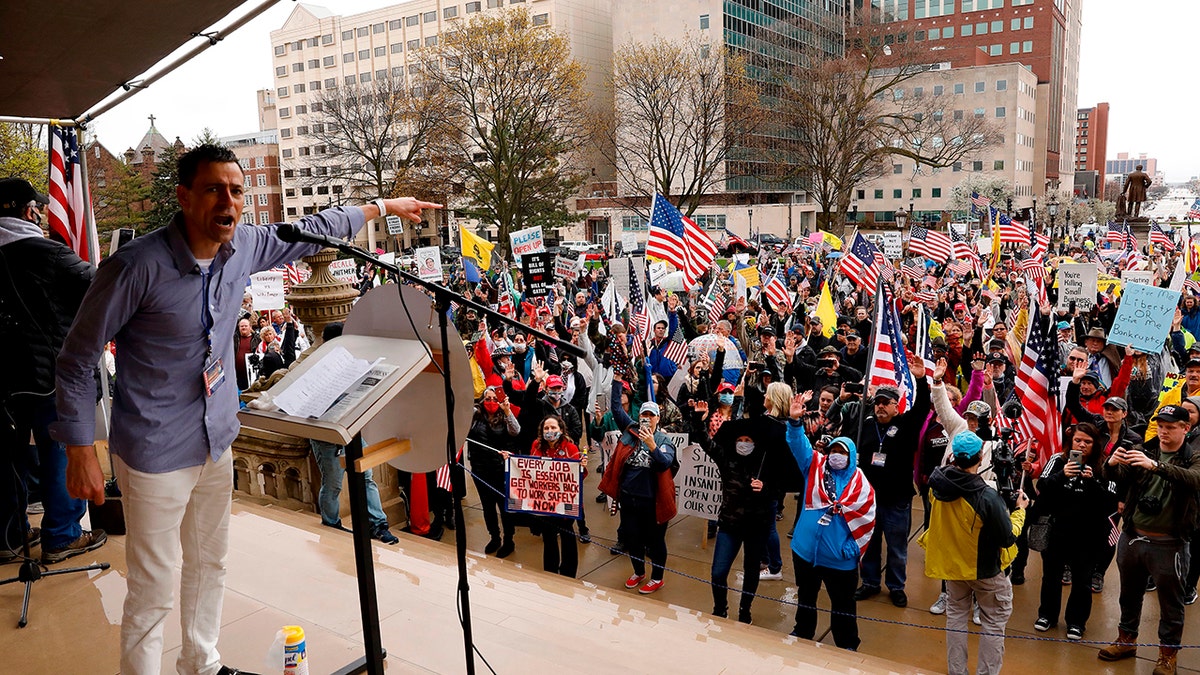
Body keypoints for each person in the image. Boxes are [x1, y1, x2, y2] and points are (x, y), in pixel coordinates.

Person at [53, 143, 441, 675]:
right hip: (153, 453)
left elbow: (313, 228)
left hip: (214, 441)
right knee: (153, 587)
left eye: (236, 191)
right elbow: (75, 360)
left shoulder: (246, 248)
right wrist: (79, 448)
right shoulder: (133, 267)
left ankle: (202, 663)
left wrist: (383, 207)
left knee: (210, 564)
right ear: (184, 197)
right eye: (214, 189)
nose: (228, 202)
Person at [0, 177, 107, 565]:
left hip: (4, 383)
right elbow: (102, 289)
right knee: (61, 452)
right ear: (30, 211)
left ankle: (8, 536)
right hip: (50, 379)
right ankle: (62, 535)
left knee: (8, 459)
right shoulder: (47, 252)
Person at [1098, 405, 1200, 675]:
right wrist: (1111, 464)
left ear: (1185, 428)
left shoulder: (1194, 456)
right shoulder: (1145, 448)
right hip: (1133, 536)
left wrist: (1156, 466)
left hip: (1170, 542)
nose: (1163, 431)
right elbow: (1118, 478)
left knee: (1171, 602)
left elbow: (1194, 480)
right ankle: (1126, 639)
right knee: (1128, 594)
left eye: (1170, 427)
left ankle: (1168, 655)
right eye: (1161, 425)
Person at [922, 431, 1028, 675]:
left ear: (952, 457)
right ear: (981, 457)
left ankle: (956, 671)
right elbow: (1007, 537)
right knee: (993, 624)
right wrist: (1019, 510)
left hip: (953, 568)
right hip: (985, 570)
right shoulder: (985, 496)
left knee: (956, 618)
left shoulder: (937, 485)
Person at [786, 393, 875, 651]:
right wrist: (794, 422)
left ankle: (846, 643)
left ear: (851, 455)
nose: (836, 455)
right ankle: (803, 630)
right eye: (834, 450)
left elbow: (868, 518)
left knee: (843, 605)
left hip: (839, 559)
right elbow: (798, 445)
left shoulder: (861, 484)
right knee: (806, 597)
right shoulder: (815, 466)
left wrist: (853, 547)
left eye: (842, 452)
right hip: (805, 553)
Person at [308, 323, 398, 545]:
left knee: (367, 478)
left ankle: (378, 525)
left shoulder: (355, 361)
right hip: (327, 434)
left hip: (354, 431)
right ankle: (331, 524)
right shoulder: (315, 365)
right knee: (333, 483)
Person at [854, 356, 931, 608]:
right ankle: (870, 583)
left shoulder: (906, 424)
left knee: (897, 548)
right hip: (869, 499)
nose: (880, 407)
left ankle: (896, 587)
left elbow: (921, 407)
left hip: (897, 500)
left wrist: (920, 379)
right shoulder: (865, 425)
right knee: (870, 543)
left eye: (886, 403)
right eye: (878, 403)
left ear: (897, 406)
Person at [1032, 423, 1119, 641]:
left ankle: (1077, 622)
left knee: (1083, 581)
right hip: (1057, 530)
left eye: (1087, 442)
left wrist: (1092, 482)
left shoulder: (1104, 466)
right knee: (1051, 576)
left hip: (1088, 534)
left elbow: (1110, 503)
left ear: (1095, 444)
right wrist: (1062, 475)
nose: (1082, 445)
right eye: (1078, 440)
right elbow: (1042, 486)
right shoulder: (1058, 460)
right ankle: (1047, 616)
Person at [599, 377, 677, 595]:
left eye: (652, 415)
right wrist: (616, 382)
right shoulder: (630, 430)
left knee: (655, 542)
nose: (647, 418)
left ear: (658, 419)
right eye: (644, 414)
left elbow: (664, 464)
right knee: (632, 538)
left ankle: (657, 578)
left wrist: (652, 445)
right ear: (638, 416)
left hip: (652, 502)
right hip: (628, 498)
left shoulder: (663, 441)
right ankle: (639, 572)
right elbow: (615, 408)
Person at [528, 414, 585, 578]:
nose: (550, 431)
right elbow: (528, 468)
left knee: (567, 535)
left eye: (553, 428)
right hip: (545, 503)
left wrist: (581, 467)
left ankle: (568, 573)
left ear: (561, 430)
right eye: (546, 428)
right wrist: (511, 460)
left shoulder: (571, 449)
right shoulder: (536, 445)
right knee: (549, 537)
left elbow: (579, 477)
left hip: (565, 504)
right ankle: (550, 572)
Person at [468, 386, 521, 558]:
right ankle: (494, 537)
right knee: (487, 507)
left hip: (500, 470)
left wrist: (507, 412)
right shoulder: (476, 416)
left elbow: (516, 430)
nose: (491, 402)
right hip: (480, 469)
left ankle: (509, 540)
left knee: (504, 508)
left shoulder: (504, 416)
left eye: (494, 399)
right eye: (487, 399)